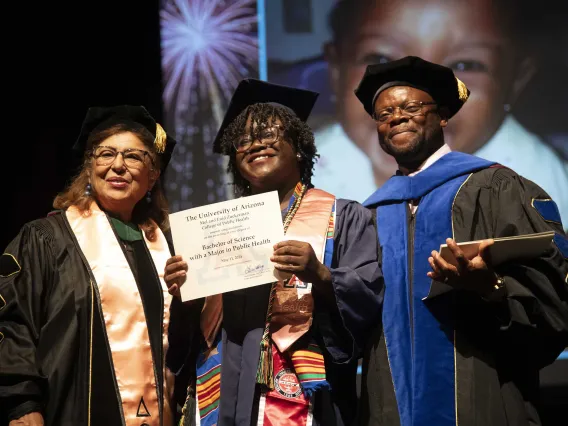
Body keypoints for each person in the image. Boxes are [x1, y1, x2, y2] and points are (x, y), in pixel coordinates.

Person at [354, 56, 568, 426]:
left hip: (483, 397)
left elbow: (553, 297)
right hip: (390, 406)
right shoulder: (369, 214)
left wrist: (491, 288)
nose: (397, 117)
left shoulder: (495, 187)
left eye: (412, 106)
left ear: (442, 116)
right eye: (384, 112)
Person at [164, 79, 382, 426]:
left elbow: (370, 301)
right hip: (224, 387)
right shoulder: (214, 228)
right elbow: (189, 341)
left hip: (302, 395)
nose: (255, 144)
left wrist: (322, 276)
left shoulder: (342, 217)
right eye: (243, 139)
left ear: (298, 147)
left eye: (269, 133)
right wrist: (187, 300)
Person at [312, 0, 568, 227]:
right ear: (336, 70)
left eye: (464, 65)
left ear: (515, 81)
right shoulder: (307, 170)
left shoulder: (533, 182)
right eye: (381, 59)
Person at [0, 106, 177, 426]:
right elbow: (13, 325)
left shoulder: (165, 247)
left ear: (153, 176)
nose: (118, 166)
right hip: (66, 413)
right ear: (89, 168)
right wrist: (23, 406)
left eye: (134, 157)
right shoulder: (46, 239)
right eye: (106, 154)